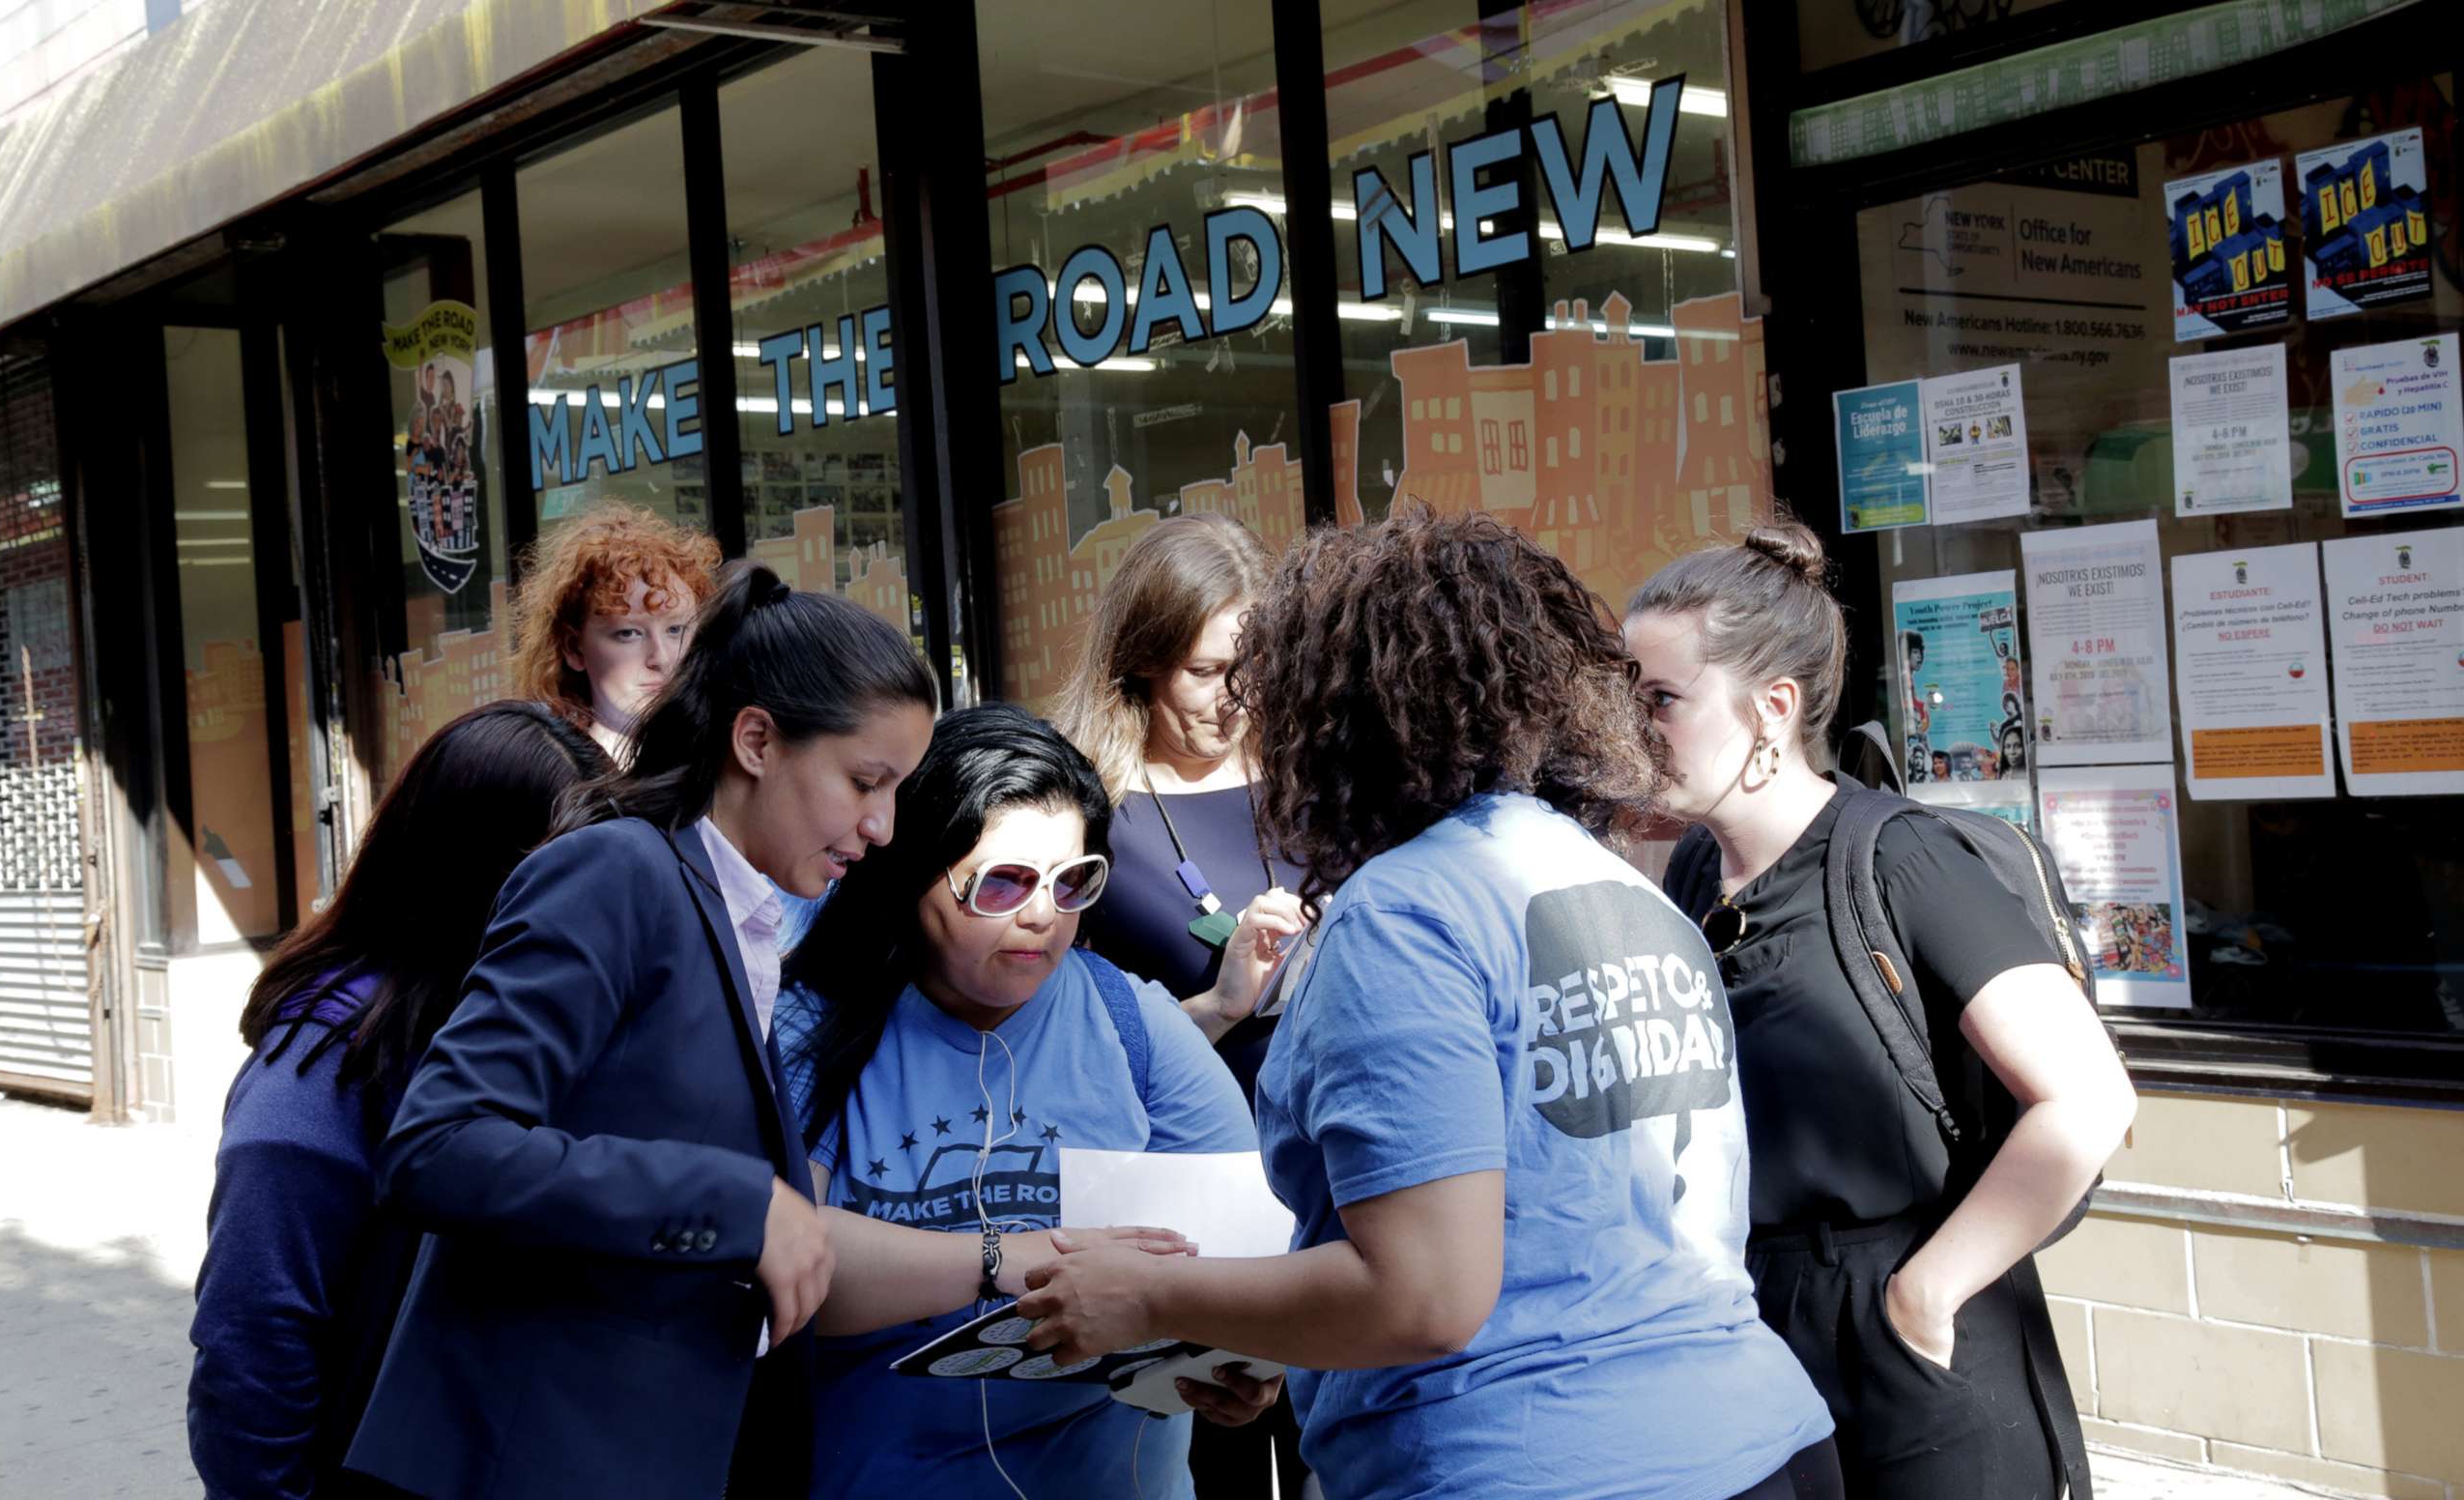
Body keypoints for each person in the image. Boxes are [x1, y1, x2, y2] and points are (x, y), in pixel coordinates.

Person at [1017, 510, 1840, 1500]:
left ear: (1331, 716)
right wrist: (1269, 1335)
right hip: (1756, 1436)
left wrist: (1146, 1294)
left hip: (1537, 1462)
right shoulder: (1615, 886)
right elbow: (1554, 1229)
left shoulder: (1405, 913)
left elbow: (1426, 1295)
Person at [344, 566, 938, 1500]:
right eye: (867, 781)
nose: (884, 824)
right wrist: (737, 1200)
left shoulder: (743, 907)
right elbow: (440, 1146)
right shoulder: (616, 872)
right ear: (756, 740)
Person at [1624, 519, 2134, 1500]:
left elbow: (2090, 1099)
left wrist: (1925, 1295)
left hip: (1913, 1334)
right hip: (1753, 1324)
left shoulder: (1898, 857)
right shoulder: (1693, 870)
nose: (1635, 722)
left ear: (1771, 709)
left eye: (1662, 699)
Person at [774, 701, 1275, 1499]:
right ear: (912, 873)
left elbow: (1254, 1250)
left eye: (1073, 882)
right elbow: (783, 1260)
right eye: (1002, 883)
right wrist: (1004, 1262)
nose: (1042, 914)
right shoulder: (816, 1025)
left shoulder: (1134, 1023)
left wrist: (1240, 1361)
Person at [187, 702, 604, 1499]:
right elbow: (251, 1343)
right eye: (577, 874)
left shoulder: (528, 1022)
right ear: (488, 881)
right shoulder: (318, 1068)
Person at [1049, 513, 1313, 1496]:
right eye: (1207, 672)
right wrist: (1219, 1004)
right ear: (1142, 661)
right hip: (1184, 1208)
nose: (1233, 699)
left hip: (1326, 1183)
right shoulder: (1083, 811)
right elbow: (1064, 1047)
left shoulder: (1306, 781)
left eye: (1250, 670)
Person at [509, 500, 722, 759]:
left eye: (676, 629)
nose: (661, 658)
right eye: (628, 633)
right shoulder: (562, 777)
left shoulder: (725, 751)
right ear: (573, 648)